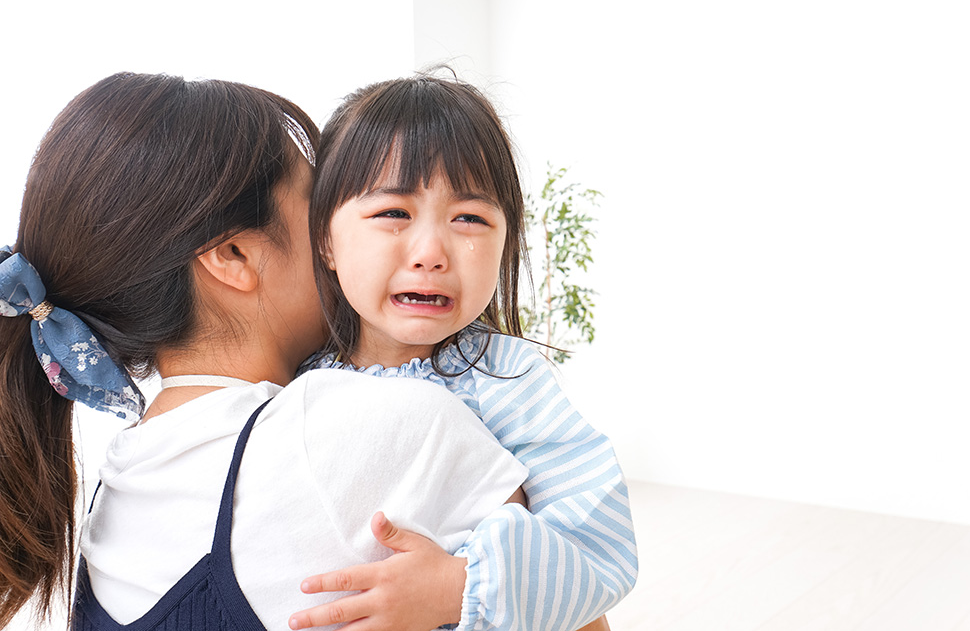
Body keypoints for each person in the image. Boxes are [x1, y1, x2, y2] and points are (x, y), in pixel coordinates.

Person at [0, 72, 530, 631]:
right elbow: (575, 607)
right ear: (232, 254)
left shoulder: (114, 489)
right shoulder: (388, 423)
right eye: (319, 203)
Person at [292, 74, 638, 631]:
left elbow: (599, 546)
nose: (431, 252)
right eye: (393, 213)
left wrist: (459, 589)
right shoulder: (296, 379)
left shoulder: (509, 378)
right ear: (326, 239)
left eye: (470, 219)